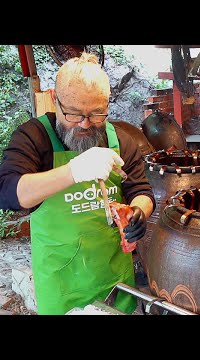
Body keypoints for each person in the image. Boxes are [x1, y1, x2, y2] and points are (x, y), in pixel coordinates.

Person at [0, 52, 155, 315]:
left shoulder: (120, 140)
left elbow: (140, 191)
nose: (84, 124)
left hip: (114, 279)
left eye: (96, 114)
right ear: (55, 100)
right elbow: (8, 194)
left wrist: (138, 211)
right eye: (73, 114)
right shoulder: (35, 137)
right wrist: (73, 171)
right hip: (62, 284)